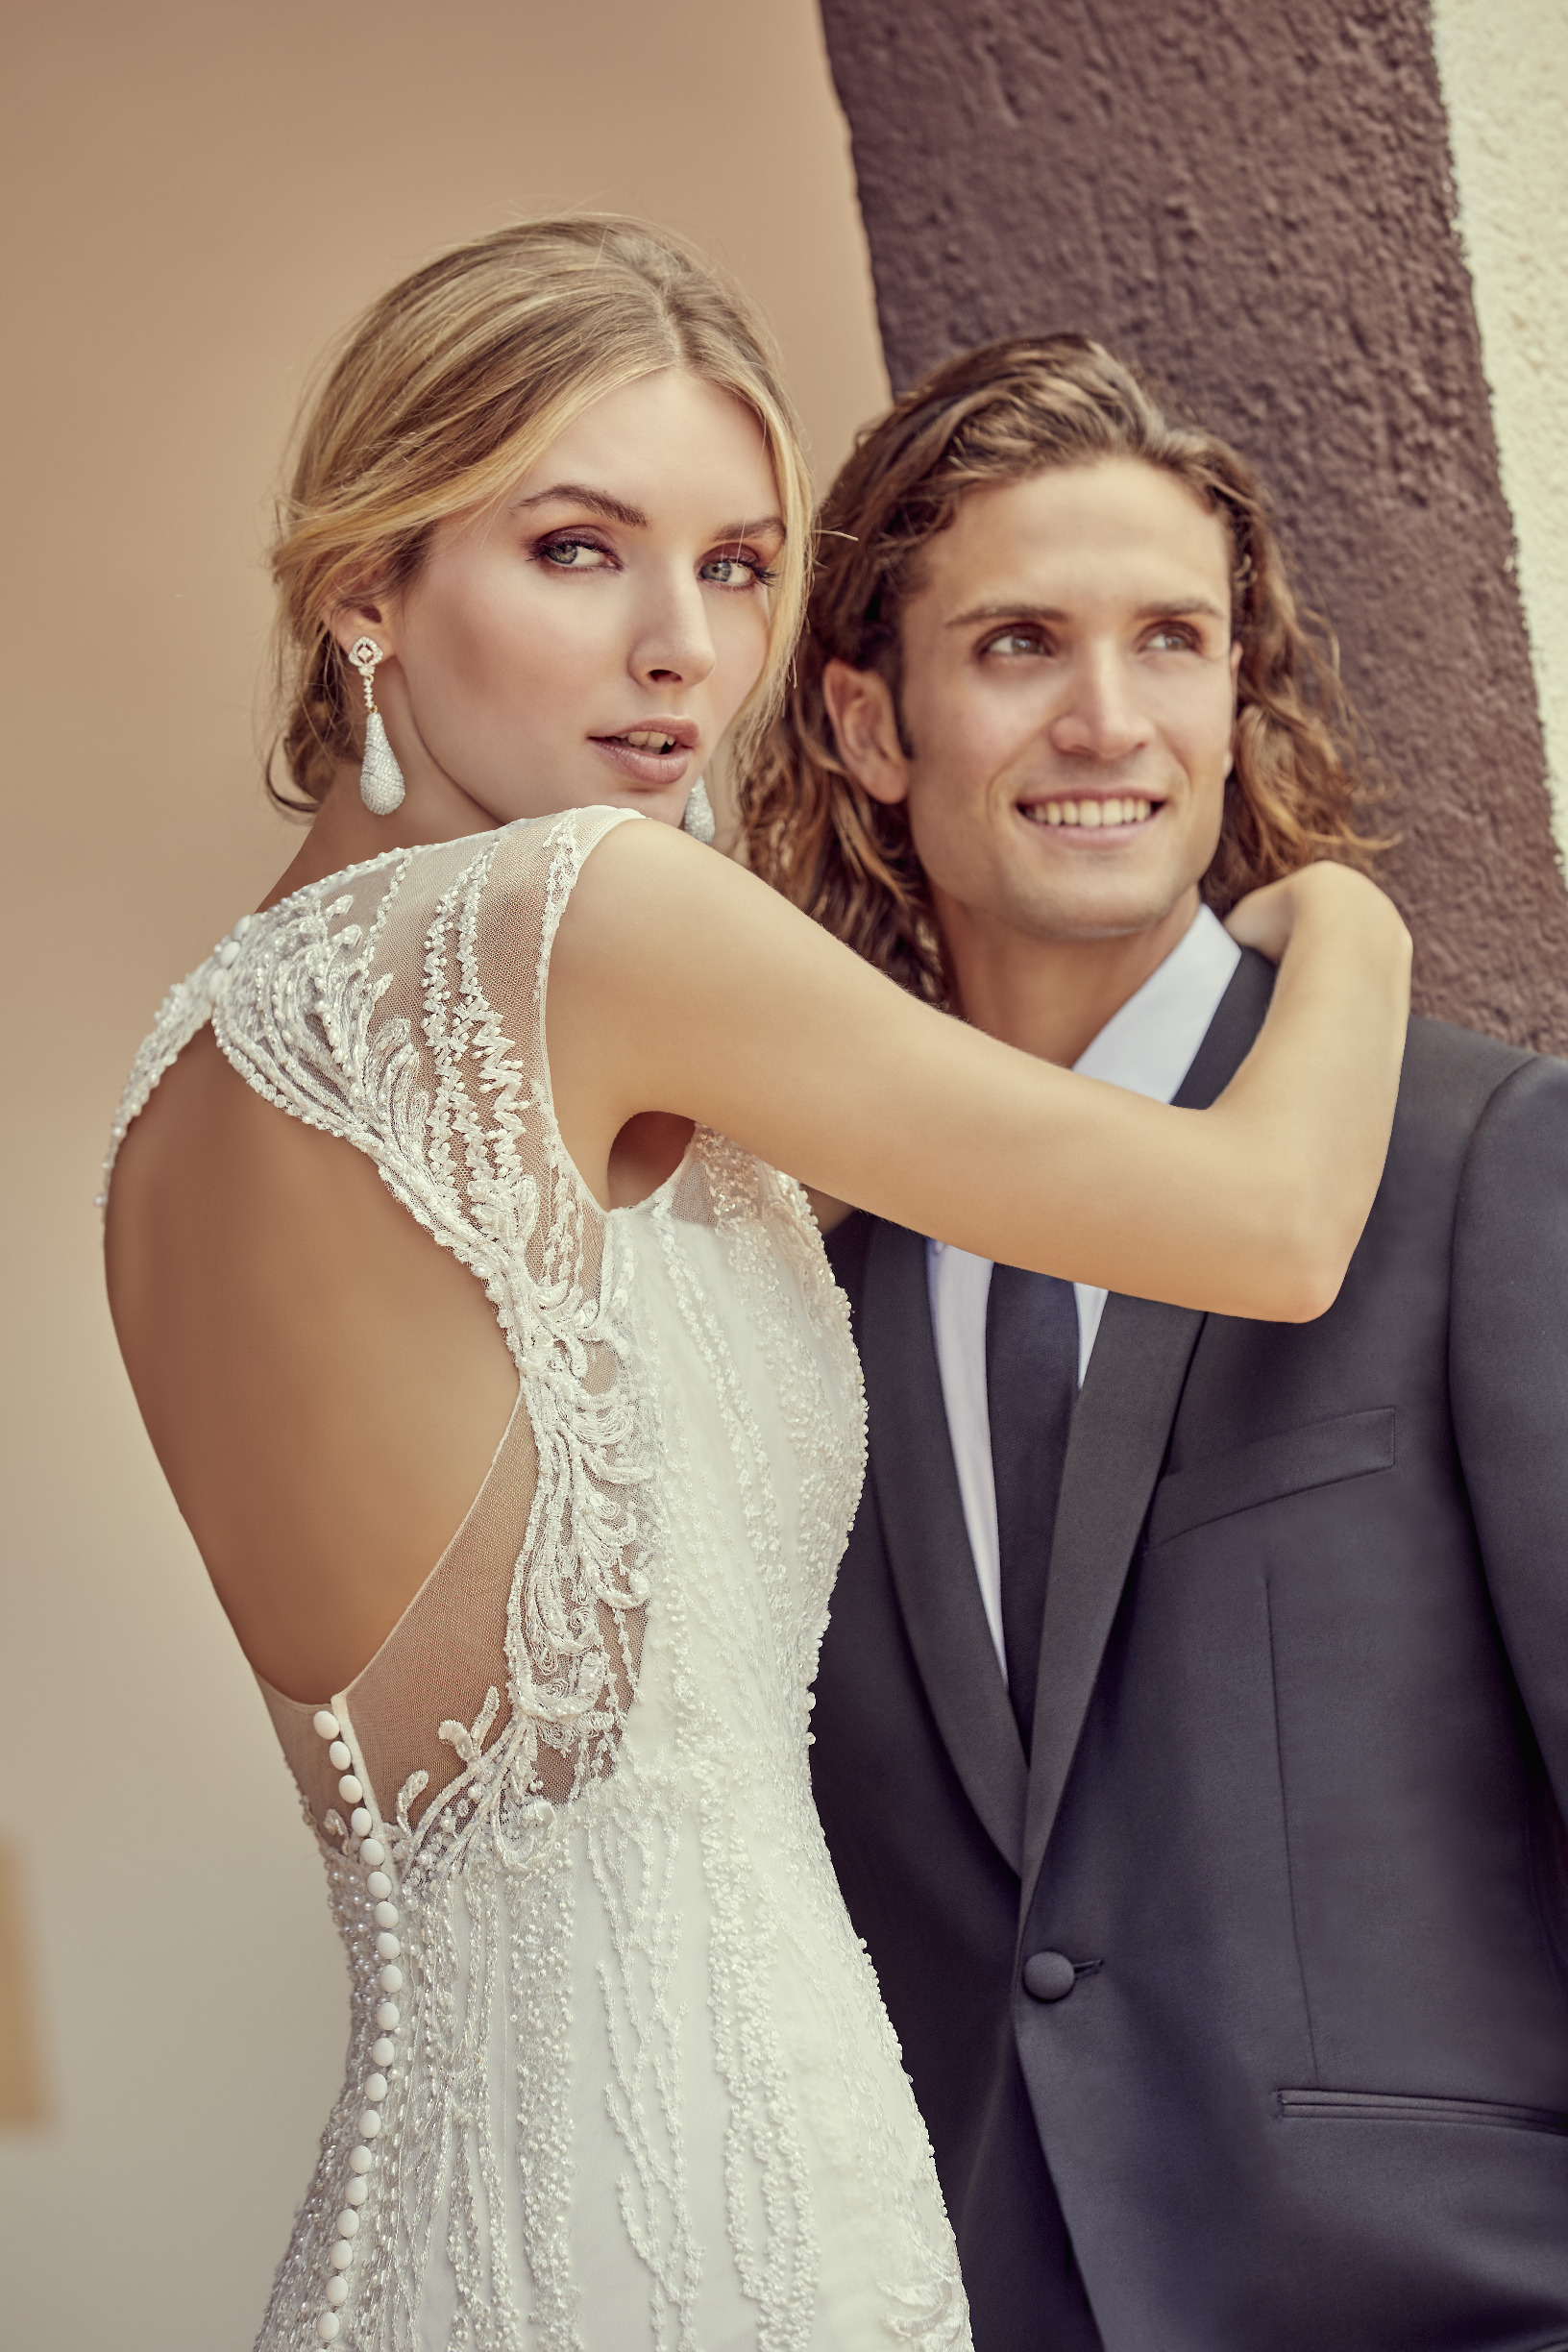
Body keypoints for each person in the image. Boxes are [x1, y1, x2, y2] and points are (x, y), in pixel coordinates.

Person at [101, 231, 1408, 2352]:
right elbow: (1267, 1223)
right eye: (576, 548)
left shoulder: (187, 1082)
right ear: (367, 592)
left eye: (731, 567)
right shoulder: (583, 918)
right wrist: (1343, 909)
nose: (674, 652)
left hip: (417, 2228)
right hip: (716, 2200)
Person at [745, 331, 1568, 2351]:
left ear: (1233, 697)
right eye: (1020, 644)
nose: (1108, 721)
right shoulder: (794, 1292)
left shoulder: (1480, 1161)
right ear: (870, 722)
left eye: (1172, 643)